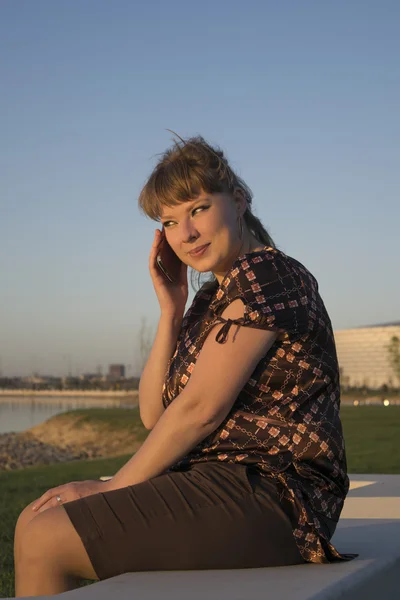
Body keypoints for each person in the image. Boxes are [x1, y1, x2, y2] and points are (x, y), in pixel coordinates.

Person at [13, 135, 354, 597]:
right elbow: (155, 416)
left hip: (279, 494)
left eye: (197, 209)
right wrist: (170, 310)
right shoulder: (210, 301)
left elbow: (200, 410)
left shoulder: (268, 274)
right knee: (34, 521)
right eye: (170, 221)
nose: (186, 234)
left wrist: (105, 488)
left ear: (238, 201)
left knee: (42, 538)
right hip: (223, 481)